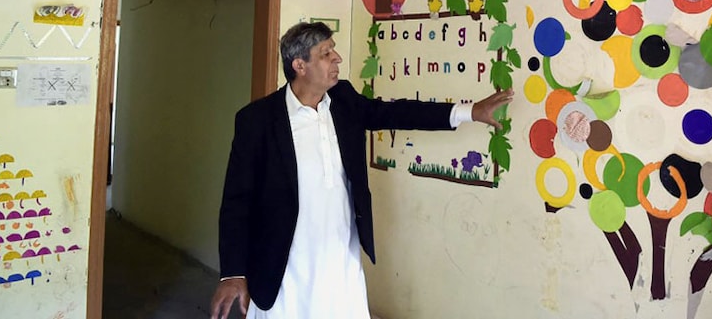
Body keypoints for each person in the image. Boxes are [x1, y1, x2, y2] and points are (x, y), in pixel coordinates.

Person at [210, 22, 513, 319]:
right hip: (285, 261)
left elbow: (397, 112)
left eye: (333, 50)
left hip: (341, 253)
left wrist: (467, 111)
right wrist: (233, 273)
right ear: (299, 65)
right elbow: (237, 200)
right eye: (326, 53)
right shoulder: (257, 120)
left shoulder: (343, 100)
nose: (337, 58)